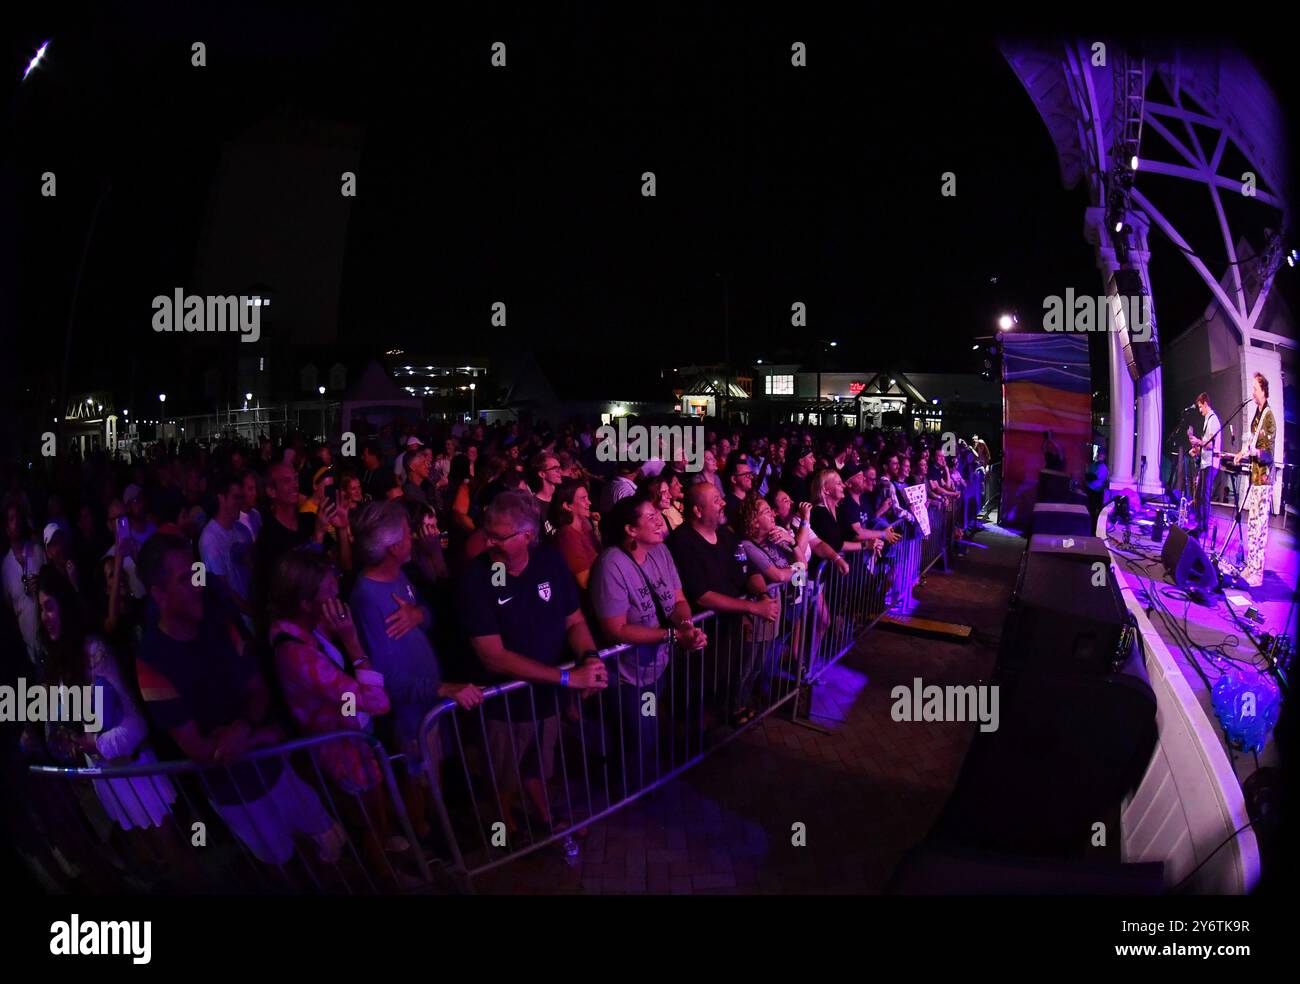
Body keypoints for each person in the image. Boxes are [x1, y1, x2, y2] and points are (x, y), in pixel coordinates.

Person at [135, 533, 346, 867]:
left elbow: (257, 688)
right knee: (285, 865)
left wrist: (242, 728)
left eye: (197, 572)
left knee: (330, 841)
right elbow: (201, 749)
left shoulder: (217, 619)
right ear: (159, 595)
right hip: (235, 792)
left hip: (274, 763)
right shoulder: (151, 663)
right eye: (185, 579)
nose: (198, 584)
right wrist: (255, 733)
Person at [458, 491, 608, 832]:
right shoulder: (477, 579)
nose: (490, 542)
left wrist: (590, 658)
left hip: (545, 697)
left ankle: (544, 817)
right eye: (488, 533)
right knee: (502, 775)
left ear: (527, 535)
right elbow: (492, 657)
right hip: (504, 705)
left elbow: (575, 622)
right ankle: (504, 830)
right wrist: (568, 679)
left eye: (500, 536)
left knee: (539, 766)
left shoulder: (550, 562)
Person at [349, 501, 482, 839]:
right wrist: (441, 689)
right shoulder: (366, 598)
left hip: (429, 702)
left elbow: (429, 615)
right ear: (393, 547)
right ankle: (423, 837)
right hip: (412, 713)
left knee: (432, 773)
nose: (414, 538)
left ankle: (435, 827)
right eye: (408, 534)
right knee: (417, 778)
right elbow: (384, 677)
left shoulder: (400, 574)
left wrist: (418, 615)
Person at [269, 549, 407, 869]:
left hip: (353, 733)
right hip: (339, 746)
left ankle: (385, 851)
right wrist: (354, 644)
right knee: (369, 818)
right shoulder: (296, 653)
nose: (337, 594)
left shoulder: (310, 626)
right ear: (305, 603)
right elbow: (378, 702)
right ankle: (385, 878)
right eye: (329, 591)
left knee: (376, 805)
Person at [36, 568, 181, 842]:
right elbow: (83, 724)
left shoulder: (94, 650)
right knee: (153, 857)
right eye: (41, 610)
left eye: (49, 607)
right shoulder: (60, 659)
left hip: (134, 769)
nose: (45, 618)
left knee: (175, 853)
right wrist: (74, 742)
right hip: (107, 776)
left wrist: (97, 744)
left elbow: (136, 724)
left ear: (64, 607)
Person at [590, 493, 707, 788]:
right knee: (638, 735)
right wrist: (671, 635)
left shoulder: (661, 552)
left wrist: (687, 627)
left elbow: (679, 600)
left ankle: (642, 781)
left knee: (650, 728)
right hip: (628, 676)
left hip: (657, 665)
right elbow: (615, 629)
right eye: (651, 517)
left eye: (659, 515)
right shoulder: (611, 565)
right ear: (630, 530)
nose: (660, 521)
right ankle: (630, 792)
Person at [667, 483, 779, 726]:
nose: (724, 503)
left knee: (725, 679)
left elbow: (749, 572)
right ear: (697, 510)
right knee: (696, 692)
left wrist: (762, 595)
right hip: (701, 634)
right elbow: (701, 595)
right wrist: (751, 608)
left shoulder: (727, 537)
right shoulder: (682, 541)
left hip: (729, 629)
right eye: (717, 499)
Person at [1234, 373, 1276, 588]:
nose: (1252, 392)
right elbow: (1251, 441)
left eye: (1254, 388)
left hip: (1264, 479)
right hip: (1255, 477)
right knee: (1252, 525)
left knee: (1259, 527)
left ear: (1263, 391)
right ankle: (1250, 566)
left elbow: (1267, 454)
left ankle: (1257, 573)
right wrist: (1242, 452)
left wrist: (1254, 452)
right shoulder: (1257, 416)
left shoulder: (1268, 417)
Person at [198, 472, 256, 630]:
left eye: (241, 497)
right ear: (221, 498)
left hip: (253, 617)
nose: (240, 502)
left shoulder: (243, 531)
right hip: (235, 624)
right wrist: (251, 611)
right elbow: (223, 589)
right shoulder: (210, 538)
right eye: (236, 497)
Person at [3, 494, 46, 665]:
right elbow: (9, 608)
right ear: (6, 528)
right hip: (28, 649)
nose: (17, 522)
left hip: (49, 638)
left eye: (18, 517)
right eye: (11, 519)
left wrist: (41, 585)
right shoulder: (5, 567)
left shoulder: (37, 552)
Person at [549, 479, 601, 590]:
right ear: (567, 506)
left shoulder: (584, 525)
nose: (589, 502)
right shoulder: (567, 535)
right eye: (583, 498)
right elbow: (584, 581)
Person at [1188, 393, 1221, 536]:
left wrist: (1198, 442)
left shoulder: (1213, 420)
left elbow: (1210, 445)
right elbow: (1205, 444)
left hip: (1211, 463)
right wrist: (1196, 448)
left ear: (1205, 403)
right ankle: (1200, 524)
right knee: (1200, 494)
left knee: (1205, 495)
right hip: (1205, 462)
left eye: (1201, 407)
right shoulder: (1207, 419)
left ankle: (1204, 526)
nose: (1200, 410)